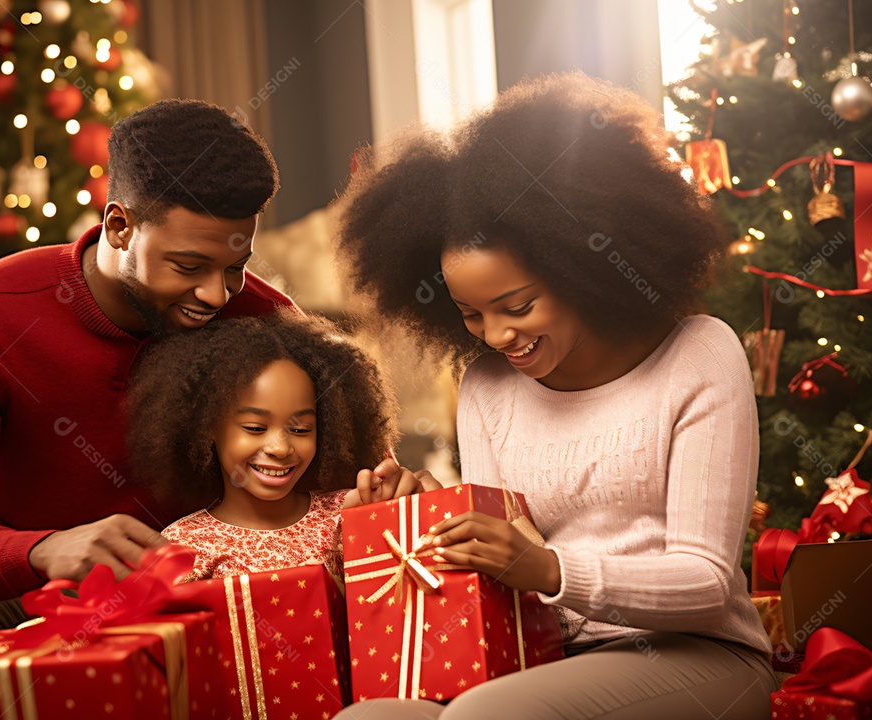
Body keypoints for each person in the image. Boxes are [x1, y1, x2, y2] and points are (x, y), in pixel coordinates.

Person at [332, 73, 778, 719]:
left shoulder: (699, 354)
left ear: (582, 267)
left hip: (700, 655)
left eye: (517, 306)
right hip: (543, 658)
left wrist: (550, 571)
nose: (497, 335)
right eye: (471, 315)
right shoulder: (487, 385)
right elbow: (509, 557)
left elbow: (707, 586)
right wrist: (438, 520)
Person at [0, 99, 295, 663]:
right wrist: (48, 549)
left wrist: (385, 488)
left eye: (235, 267)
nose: (217, 296)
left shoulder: (268, 321)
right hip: (21, 581)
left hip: (205, 579)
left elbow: (343, 477)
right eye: (189, 267)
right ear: (119, 226)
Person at [127, 310, 428, 582]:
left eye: (300, 429)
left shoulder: (350, 511)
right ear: (206, 428)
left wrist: (411, 515)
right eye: (255, 428)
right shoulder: (183, 547)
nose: (280, 448)